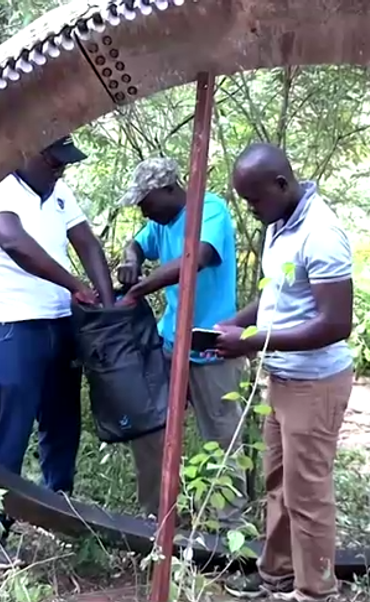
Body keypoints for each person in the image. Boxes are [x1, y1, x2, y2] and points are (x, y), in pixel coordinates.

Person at [217, 143, 354, 602]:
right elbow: (279, 295)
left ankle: (316, 591)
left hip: (314, 383)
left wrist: (254, 342)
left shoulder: (322, 233)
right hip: (282, 375)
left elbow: (336, 324)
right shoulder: (280, 224)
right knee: (279, 484)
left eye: (254, 200)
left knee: (307, 492)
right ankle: (277, 576)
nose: (252, 210)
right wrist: (238, 323)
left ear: (281, 184)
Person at [0, 136, 114, 562]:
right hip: (11, 322)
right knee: (12, 423)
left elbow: (86, 242)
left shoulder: (60, 192)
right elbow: (15, 244)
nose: (61, 168)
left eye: (65, 162)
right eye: (54, 160)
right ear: (26, 152)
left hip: (58, 321)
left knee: (62, 417)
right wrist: (75, 286)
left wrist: (104, 302)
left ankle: (59, 504)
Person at [114, 157, 247, 526]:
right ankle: (160, 516)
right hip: (169, 342)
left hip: (210, 346)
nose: (143, 211)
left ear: (169, 190)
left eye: (146, 202)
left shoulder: (210, 209)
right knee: (149, 426)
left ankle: (229, 527)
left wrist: (142, 286)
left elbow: (199, 257)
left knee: (220, 435)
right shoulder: (160, 224)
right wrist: (130, 258)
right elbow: (136, 244)